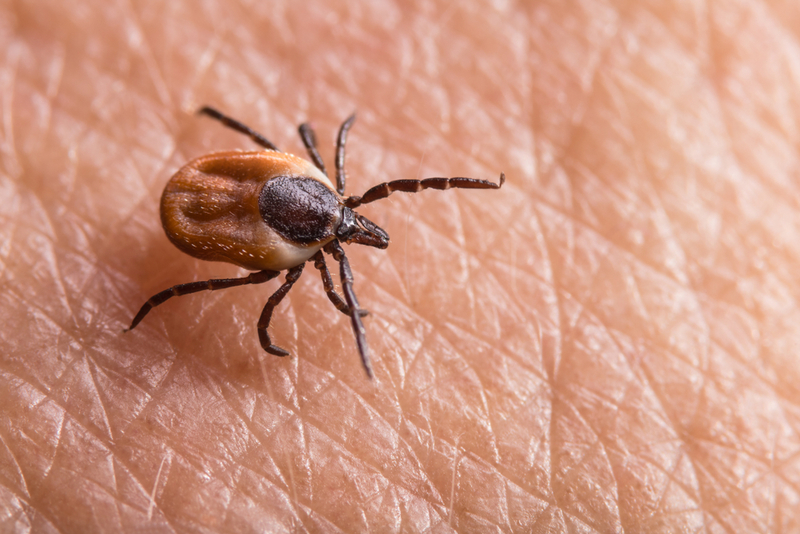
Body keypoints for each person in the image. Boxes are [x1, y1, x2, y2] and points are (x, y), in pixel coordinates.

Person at [2, 0, 799, 531]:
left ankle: (181, 266)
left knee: (255, 277)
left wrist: (335, 289)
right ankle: (173, 291)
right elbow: (288, 260)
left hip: (254, 205)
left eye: (350, 223)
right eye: (353, 224)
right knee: (251, 286)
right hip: (248, 209)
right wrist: (333, 313)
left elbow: (313, 141)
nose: (357, 229)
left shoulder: (315, 197)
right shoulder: (313, 238)